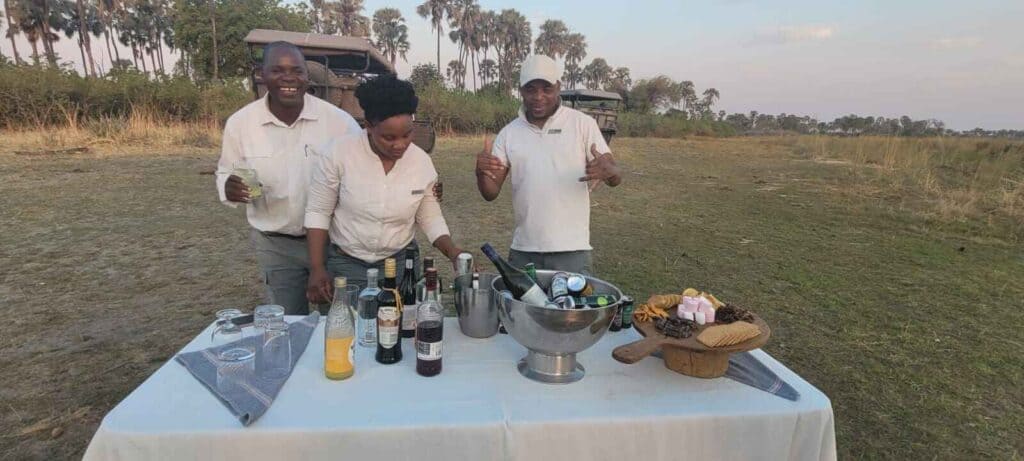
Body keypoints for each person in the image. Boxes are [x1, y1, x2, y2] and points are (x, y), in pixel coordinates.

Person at [215, 41, 362, 315]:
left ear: (308, 76)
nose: (288, 78)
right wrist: (228, 186)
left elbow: (368, 165)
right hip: (276, 244)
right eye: (277, 70)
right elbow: (227, 170)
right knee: (287, 321)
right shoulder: (241, 124)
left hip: (334, 243)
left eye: (297, 70)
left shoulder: (339, 122)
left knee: (340, 321)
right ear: (262, 75)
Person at [304, 74, 467, 302]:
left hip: (399, 266)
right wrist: (317, 267)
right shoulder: (338, 154)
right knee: (347, 323)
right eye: (389, 137)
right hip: (347, 264)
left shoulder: (421, 162)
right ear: (369, 126)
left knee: (401, 321)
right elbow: (318, 212)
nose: (400, 145)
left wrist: (452, 251)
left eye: (407, 134)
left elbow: (430, 216)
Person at [475, 55, 623, 275]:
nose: (538, 97)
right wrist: (480, 172)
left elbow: (613, 175)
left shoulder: (582, 124)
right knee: (520, 300)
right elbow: (490, 192)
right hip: (524, 251)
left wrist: (611, 171)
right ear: (521, 90)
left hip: (572, 251)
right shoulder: (509, 133)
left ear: (558, 87)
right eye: (530, 89)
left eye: (546, 89)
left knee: (574, 300)